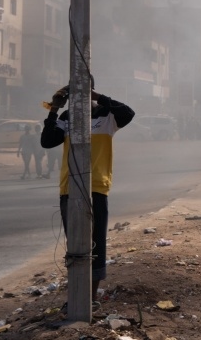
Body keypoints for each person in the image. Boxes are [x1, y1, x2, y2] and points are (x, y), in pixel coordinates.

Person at [41, 82, 135, 303]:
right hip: (69, 187)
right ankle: (76, 297)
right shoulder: (67, 117)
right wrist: (54, 109)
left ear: (91, 89)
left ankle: (90, 299)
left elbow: (128, 113)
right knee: (75, 244)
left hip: (97, 187)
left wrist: (97, 97)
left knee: (95, 243)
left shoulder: (107, 115)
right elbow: (47, 141)